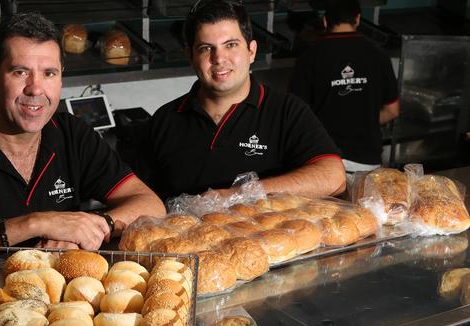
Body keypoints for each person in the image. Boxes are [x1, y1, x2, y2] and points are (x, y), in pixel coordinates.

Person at [0, 12, 165, 250]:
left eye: (49, 73)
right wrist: (34, 224)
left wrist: (97, 224)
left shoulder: (72, 134)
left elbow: (150, 204)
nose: (35, 89)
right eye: (20, 72)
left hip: (61, 295)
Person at [135, 0, 346, 201]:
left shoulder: (286, 112)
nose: (219, 58)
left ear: (251, 51)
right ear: (190, 56)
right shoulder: (165, 120)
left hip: (264, 238)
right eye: (206, 48)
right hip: (183, 238)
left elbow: (333, 177)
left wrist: (241, 194)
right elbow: (140, 198)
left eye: (231, 45)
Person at [289, 0, 399, 174]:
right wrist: (364, 122)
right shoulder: (378, 54)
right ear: (357, 19)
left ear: (325, 21)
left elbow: (295, 115)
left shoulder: (309, 57)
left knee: (325, 203)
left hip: (324, 160)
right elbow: (392, 110)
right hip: (367, 161)